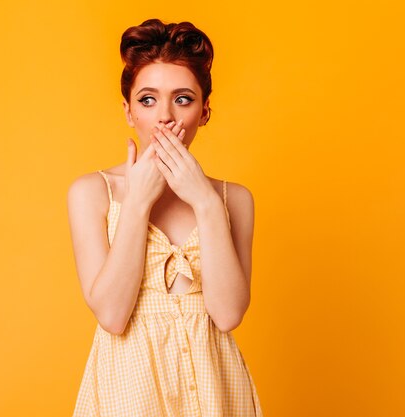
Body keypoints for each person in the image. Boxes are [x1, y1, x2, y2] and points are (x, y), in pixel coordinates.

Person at [67, 18, 263, 417]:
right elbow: (112, 315)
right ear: (128, 111)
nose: (165, 116)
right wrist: (138, 203)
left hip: (214, 390)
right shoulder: (92, 193)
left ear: (204, 111)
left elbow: (227, 315)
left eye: (183, 99)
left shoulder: (233, 199)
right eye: (148, 99)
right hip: (128, 391)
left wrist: (205, 203)